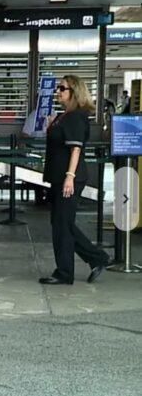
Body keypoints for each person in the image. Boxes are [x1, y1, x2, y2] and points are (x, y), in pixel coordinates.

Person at [39, 75, 111, 285]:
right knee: (62, 224)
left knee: (62, 225)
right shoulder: (64, 116)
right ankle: (97, 258)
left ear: (74, 92)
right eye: (59, 88)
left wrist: (69, 177)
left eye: (63, 88)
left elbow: (76, 148)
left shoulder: (76, 117)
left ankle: (65, 272)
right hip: (58, 176)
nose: (58, 92)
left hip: (68, 178)